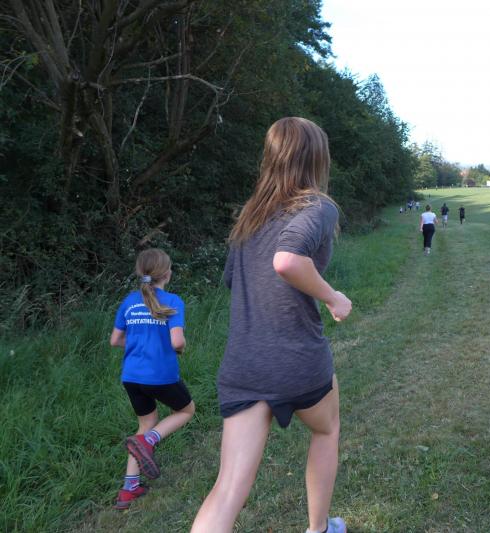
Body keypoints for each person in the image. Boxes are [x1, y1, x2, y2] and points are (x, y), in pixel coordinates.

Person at [192, 117, 351, 533]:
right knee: (327, 431)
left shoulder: (249, 216)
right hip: (297, 359)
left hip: (244, 365)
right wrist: (333, 297)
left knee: (227, 489)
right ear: (316, 158)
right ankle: (319, 529)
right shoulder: (319, 206)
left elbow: (235, 279)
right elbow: (287, 261)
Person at [110, 248, 195, 510]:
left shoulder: (129, 301)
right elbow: (177, 341)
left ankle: (129, 489)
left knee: (146, 423)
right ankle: (149, 441)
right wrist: (180, 348)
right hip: (160, 374)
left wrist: (140, 346)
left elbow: (115, 340)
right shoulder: (172, 301)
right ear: (167, 273)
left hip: (131, 376)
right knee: (186, 410)